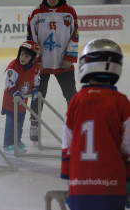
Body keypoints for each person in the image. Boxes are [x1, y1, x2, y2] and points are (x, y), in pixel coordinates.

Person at [61, 38, 130, 210]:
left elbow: (67, 141)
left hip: (79, 186)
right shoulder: (121, 102)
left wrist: (66, 171)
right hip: (112, 185)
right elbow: (128, 146)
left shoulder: (76, 100)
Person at [27, 0, 79, 142]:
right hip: (41, 63)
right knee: (38, 95)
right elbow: (31, 37)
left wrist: (69, 57)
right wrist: (36, 60)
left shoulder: (70, 12)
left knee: (70, 94)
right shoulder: (35, 13)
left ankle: (77, 121)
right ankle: (34, 124)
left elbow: (74, 36)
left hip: (64, 61)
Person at [1, 41, 40, 154]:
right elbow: (8, 82)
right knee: (11, 123)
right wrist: (15, 92)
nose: (23, 57)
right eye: (22, 54)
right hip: (11, 101)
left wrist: (35, 89)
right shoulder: (14, 65)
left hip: (23, 102)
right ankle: (8, 144)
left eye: (27, 56)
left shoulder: (35, 68)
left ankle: (17, 141)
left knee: (20, 123)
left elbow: (37, 80)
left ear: (32, 58)